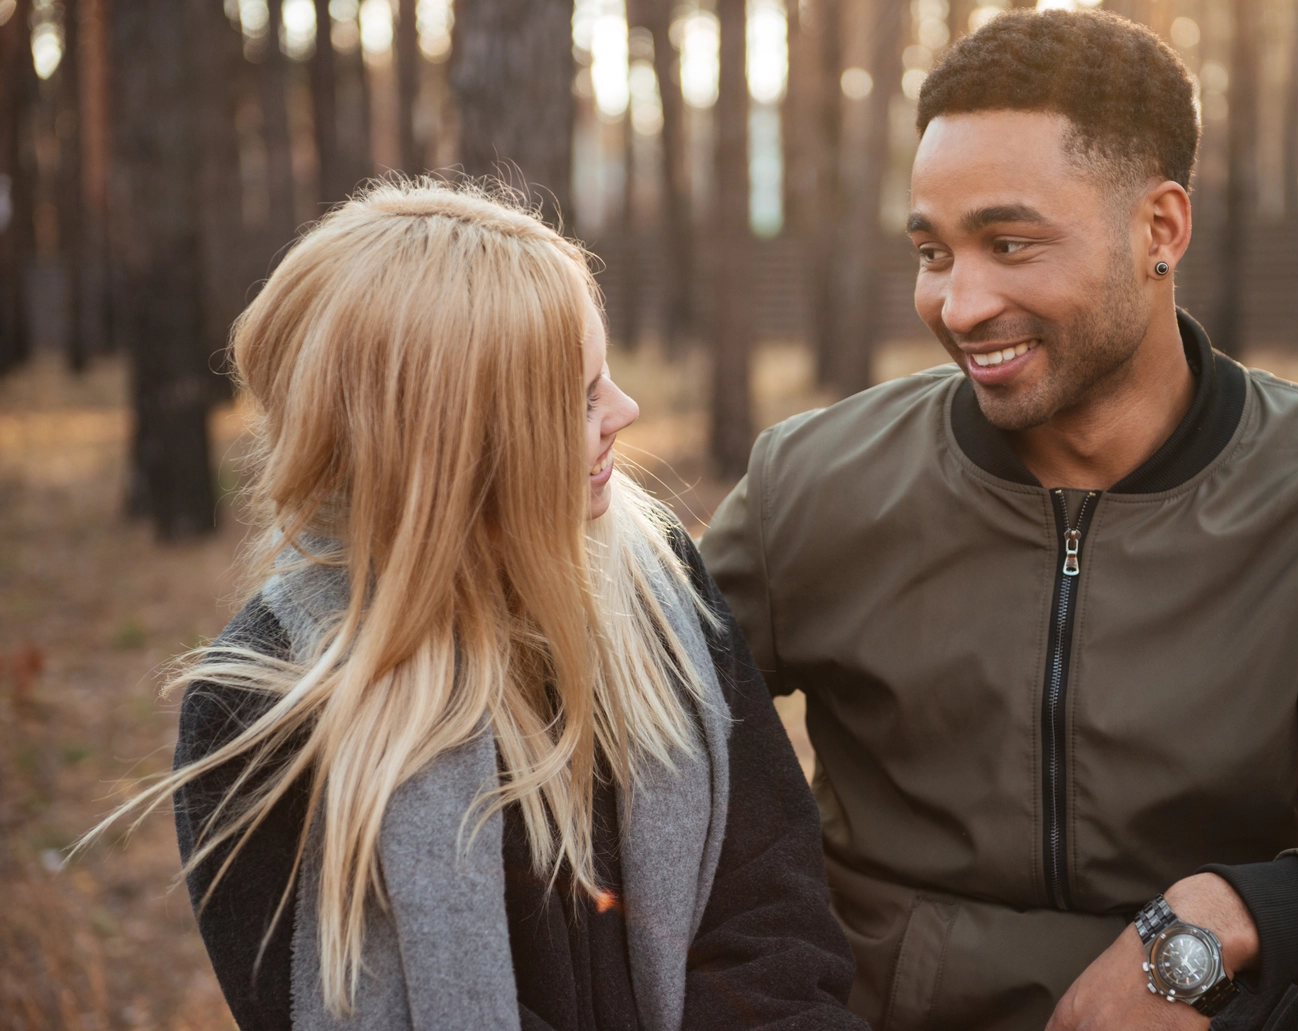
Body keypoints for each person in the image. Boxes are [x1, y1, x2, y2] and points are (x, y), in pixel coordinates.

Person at [699, 11, 1298, 1031]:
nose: (959, 305)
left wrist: (1225, 918)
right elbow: (631, 740)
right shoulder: (812, 482)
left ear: (1161, 228)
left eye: (1010, 244)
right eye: (934, 250)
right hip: (877, 1008)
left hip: (1218, 1003)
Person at [79, 180, 869, 1031]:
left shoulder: (660, 584)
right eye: (579, 398)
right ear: (457, 445)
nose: (626, 412)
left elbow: (775, 919)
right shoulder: (261, 710)